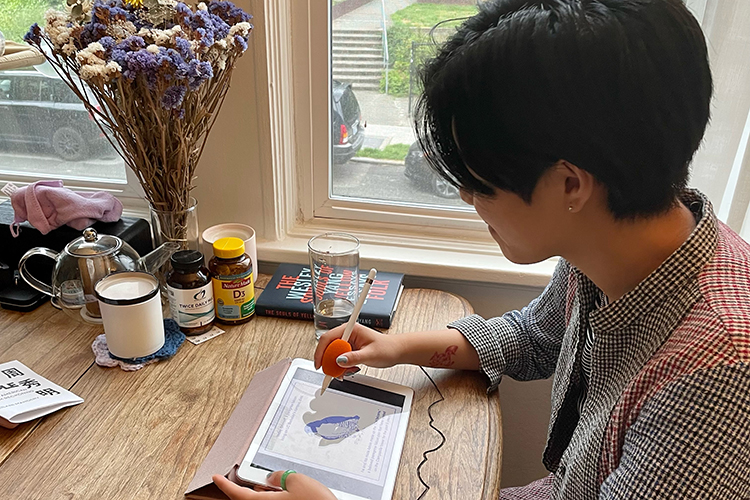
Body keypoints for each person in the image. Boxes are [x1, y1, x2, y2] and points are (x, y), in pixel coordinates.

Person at [213, 0, 750, 498]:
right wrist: (397, 347)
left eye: (478, 181)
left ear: (569, 185)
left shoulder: (716, 372)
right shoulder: (615, 237)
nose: (468, 198)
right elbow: (536, 336)